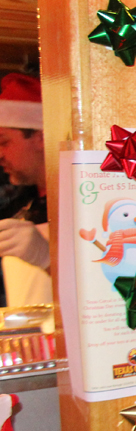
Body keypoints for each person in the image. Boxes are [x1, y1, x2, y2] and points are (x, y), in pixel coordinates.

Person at [0, 73, 50, 306]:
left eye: (4, 142)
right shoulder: (21, 205)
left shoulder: (86, 205)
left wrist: (47, 257)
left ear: (40, 138)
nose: (0, 155)